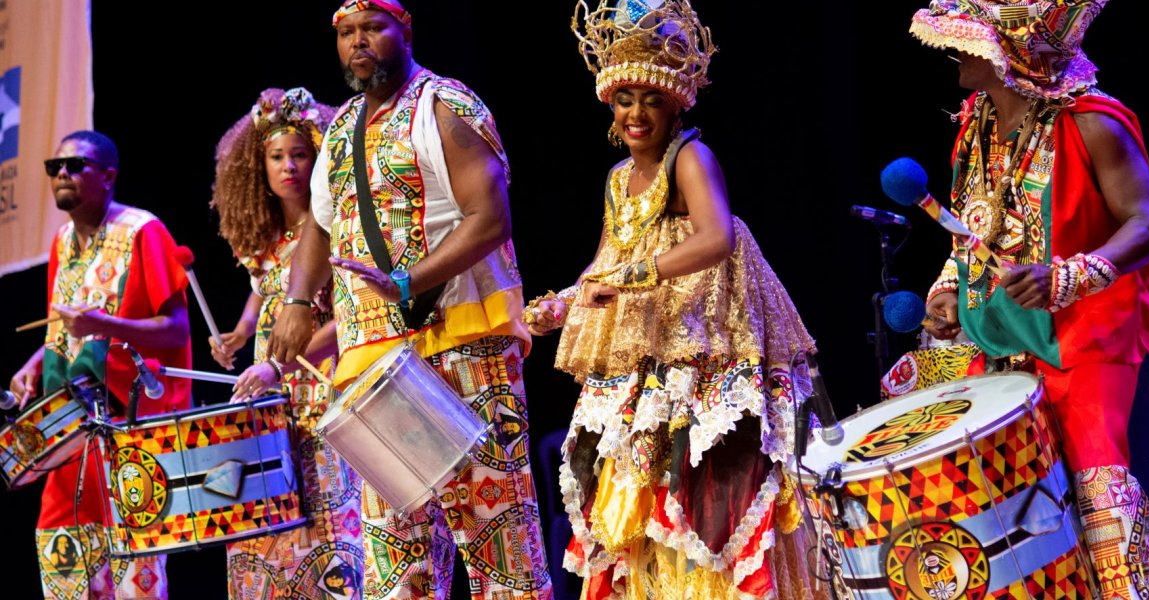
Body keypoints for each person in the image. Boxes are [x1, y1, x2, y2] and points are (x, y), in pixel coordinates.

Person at [525, 1, 821, 597]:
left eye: (652, 99)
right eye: (626, 99)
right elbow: (609, 258)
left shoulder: (690, 158)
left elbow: (717, 236)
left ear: (676, 102)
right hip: (644, 350)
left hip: (704, 344)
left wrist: (635, 275)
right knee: (639, 493)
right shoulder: (615, 178)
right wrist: (566, 302)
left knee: (705, 487)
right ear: (610, 103)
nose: (637, 113)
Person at [267, 2, 552, 598]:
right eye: (346, 33)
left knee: (498, 540)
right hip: (375, 363)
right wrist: (296, 302)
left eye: (373, 28)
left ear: (406, 31)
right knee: (397, 559)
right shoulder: (341, 128)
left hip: (462, 348)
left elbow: (491, 217)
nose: (358, 43)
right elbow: (320, 227)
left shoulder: (445, 105)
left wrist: (408, 282)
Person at [911, 1, 1149, 596]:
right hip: (1001, 340)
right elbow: (975, 230)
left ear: (1015, 55)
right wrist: (951, 290)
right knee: (1004, 510)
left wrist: (1066, 278)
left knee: (1100, 497)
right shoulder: (974, 121)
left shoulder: (1091, 122)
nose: (957, 46)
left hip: (1085, 341)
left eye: (973, 38)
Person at [8, 130, 190, 599]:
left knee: (137, 582)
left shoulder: (143, 231)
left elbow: (175, 329)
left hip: (130, 437)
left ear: (108, 176)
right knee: (64, 572)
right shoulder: (61, 242)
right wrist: (35, 361)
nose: (62, 174)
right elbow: (62, 325)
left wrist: (105, 326)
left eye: (75, 165)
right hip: (69, 438)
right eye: (54, 167)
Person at [210, 87, 366, 599]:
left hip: (322, 391)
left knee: (326, 527)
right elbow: (263, 292)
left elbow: (349, 317)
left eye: (300, 154)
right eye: (277, 157)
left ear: (317, 158)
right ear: (259, 168)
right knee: (268, 522)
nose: (289, 166)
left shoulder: (336, 233)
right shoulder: (262, 237)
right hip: (271, 395)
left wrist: (280, 368)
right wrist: (241, 330)